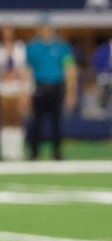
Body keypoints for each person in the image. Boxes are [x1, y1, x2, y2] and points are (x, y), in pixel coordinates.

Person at [26, 15, 77, 160]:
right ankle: (34, 152)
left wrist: (71, 91)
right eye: (43, 28)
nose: (46, 31)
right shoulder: (32, 47)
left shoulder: (62, 47)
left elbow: (69, 68)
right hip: (39, 87)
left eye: (48, 28)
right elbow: (27, 70)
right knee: (36, 122)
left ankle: (57, 152)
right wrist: (26, 91)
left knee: (57, 121)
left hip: (56, 86)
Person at [0, 25, 31, 161]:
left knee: (17, 120)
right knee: (4, 120)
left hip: (17, 86)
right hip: (3, 87)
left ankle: (17, 151)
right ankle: (6, 151)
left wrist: (25, 89)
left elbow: (24, 69)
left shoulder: (20, 47)